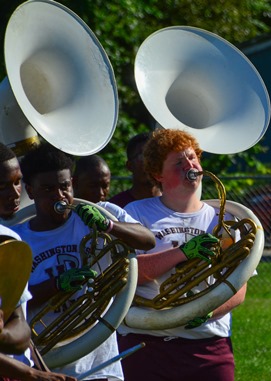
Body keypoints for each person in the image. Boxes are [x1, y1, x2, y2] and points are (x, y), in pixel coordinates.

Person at [11, 143, 156, 380]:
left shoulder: (99, 213)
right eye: (48, 189)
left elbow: (148, 240)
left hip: (101, 363)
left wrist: (110, 226)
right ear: (31, 190)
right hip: (48, 363)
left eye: (65, 186)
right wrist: (57, 286)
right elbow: (10, 305)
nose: (60, 196)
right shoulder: (17, 239)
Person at [117, 129, 247, 381]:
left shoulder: (225, 218)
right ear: (157, 174)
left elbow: (239, 286)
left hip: (208, 344)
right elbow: (127, 273)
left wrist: (208, 310)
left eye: (192, 157)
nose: (189, 165)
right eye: (178, 162)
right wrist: (183, 252)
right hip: (147, 343)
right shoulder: (136, 212)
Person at [0, 143, 76, 380]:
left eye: (17, 181)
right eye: (2, 186)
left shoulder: (10, 239)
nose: (14, 193)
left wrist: (3, 336)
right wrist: (33, 376)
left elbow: (21, 326)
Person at [108, 132, 161, 208]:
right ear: (129, 166)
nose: (150, 162)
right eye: (142, 156)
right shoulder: (115, 207)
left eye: (155, 156)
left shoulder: (176, 203)